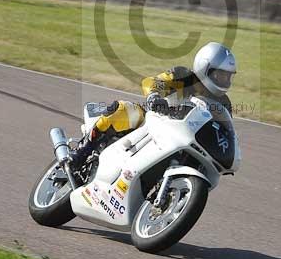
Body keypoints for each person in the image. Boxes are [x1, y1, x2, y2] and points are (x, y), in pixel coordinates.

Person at [68, 41, 237, 168]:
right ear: (205, 68)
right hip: (153, 123)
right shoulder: (184, 77)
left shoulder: (223, 103)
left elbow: (225, 133)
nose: (225, 80)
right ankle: (83, 152)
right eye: (221, 75)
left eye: (228, 76)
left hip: (183, 139)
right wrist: (154, 97)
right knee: (124, 110)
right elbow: (153, 82)